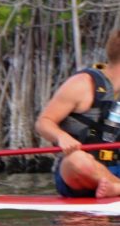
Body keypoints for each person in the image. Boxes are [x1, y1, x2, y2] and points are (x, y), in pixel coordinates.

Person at [35, 30, 120, 198]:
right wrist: (61, 136)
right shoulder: (82, 84)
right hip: (82, 173)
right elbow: (43, 122)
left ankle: (115, 189)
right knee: (76, 161)